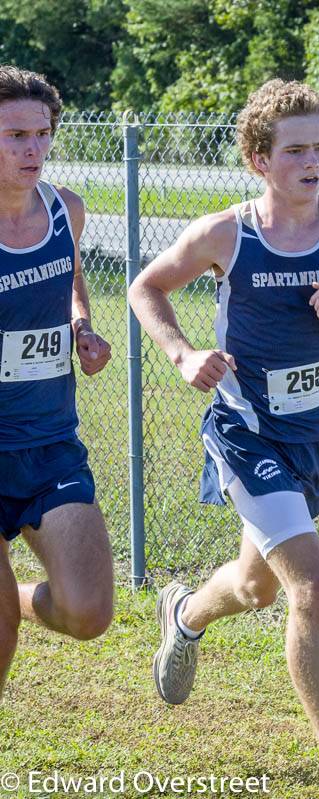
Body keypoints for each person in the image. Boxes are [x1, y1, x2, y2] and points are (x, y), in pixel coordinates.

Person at [127, 79, 319, 799]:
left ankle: (184, 612)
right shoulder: (229, 233)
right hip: (244, 429)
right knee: (311, 585)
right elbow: (146, 287)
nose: (312, 161)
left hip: (317, 434)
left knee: (258, 585)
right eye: (295, 150)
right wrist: (183, 354)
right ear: (259, 158)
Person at [0, 65, 114, 700]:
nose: (32, 149)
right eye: (15, 135)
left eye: (41, 134)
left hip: (48, 446)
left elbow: (69, 279)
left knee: (89, 613)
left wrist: (81, 326)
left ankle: (11, 600)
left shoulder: (64, 209)